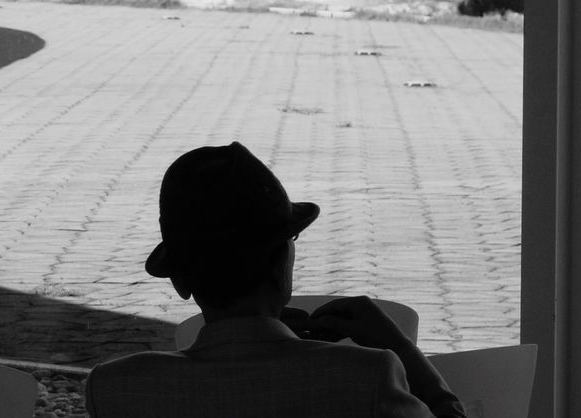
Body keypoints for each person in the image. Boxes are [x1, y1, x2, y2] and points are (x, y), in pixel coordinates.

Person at [85, 142, 466, 418]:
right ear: (283, 264)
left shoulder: (115, 388)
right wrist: (400, 347)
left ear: (180, 282)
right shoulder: (370, 377)